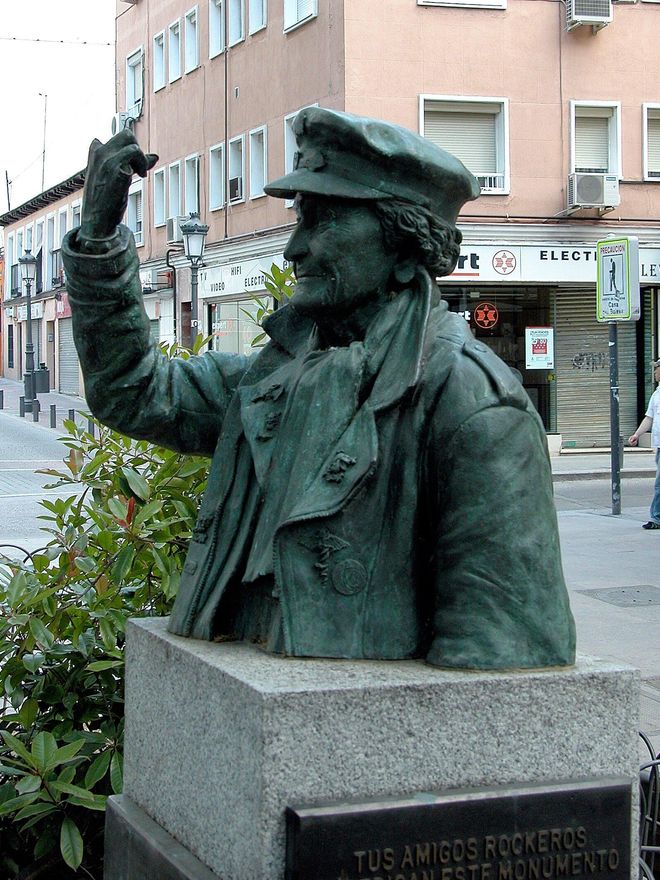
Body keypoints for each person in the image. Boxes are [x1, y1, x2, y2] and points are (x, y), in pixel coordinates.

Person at [61, 107, 575, 670]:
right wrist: (99, 239)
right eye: (301, 216)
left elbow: (506, 661)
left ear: (405, 249)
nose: (293, 248)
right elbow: (133, 388)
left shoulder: (471, 405)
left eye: (324, 220)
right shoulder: (276, 375)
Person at [628, 358, 660, 530]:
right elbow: (649, 418)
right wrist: (637, 434)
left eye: (656, 369)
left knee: (659, 484)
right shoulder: (656, 394)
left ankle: (656, 518)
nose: (654, 373)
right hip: (659, 446)